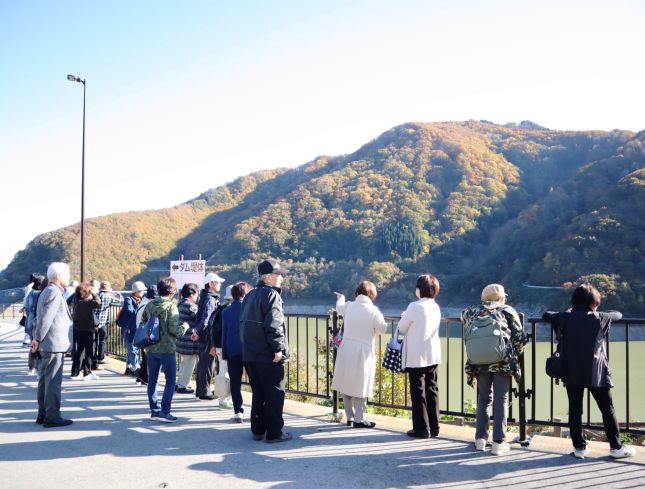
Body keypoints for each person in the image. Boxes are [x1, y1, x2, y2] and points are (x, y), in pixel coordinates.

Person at [542, 284, 636, 459]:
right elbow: (618, 314)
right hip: (597, 373)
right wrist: (599, 310)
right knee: (607, 409)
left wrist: (568, 311)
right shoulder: (600, 318)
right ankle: (616, 448)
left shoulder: (564, 317)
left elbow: (546, 314)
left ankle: (579, 448)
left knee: (575, 410)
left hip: (571, 371)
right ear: (594, 302)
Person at [462, 283, 526, 456]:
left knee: (483, 398)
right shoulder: (507, 311)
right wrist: (511, 352)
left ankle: (480, 440)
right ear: (501, 297)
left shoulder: (471, 311)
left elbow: (464, 318)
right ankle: (499, 442)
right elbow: (520, 338)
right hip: (502, 362)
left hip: (479, 361)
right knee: (501, 398)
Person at [240, 260, 291, 443]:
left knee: (259, 392)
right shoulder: (272, 295)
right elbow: (274, 324)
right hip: (268, 354)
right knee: (275, 393)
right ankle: (274, 433)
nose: (282, 279)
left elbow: (243, 324)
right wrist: (278, 349)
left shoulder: (250, 295)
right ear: (269, 277)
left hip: (250, 353)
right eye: (279, 275)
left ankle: (258, 429)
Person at [332, 281, 387, 429]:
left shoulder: (349, 306)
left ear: (357, 293)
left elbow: (339, 307)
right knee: (362, 385)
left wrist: (341, 297)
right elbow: (383, 328)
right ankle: (359, 419)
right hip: (364, 351)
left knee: (347, 383)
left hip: (347, 348)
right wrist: (374, 332)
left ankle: (349, 417)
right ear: (372, 295)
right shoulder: (374, 310)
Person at [398, 274, 443, 439]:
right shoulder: (435, 307)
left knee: (418, 391)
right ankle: (435, 426)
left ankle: (421, 428)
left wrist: (404, 316)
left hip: (417, 354)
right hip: (432, 353)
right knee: (432, 388)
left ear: (419, 290)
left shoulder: (414, 306)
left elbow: (402, 328)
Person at [31, 262, 74, 428]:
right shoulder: (54, 292)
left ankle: (43, 414)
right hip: (53, 343)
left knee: (44, 380)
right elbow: (46, 318)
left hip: (48, 342)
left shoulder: (47, 291)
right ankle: (52, 416)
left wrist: (37, 339)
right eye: (67, 274)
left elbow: (40, 317)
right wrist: (38, 338)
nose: (68, 278)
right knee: (53, 381)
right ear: (59, 276)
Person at [141, 277, 184, 422]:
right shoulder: (172, 307)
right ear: (172, 291)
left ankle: (154, 410)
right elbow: (174, 330)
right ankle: (165, 411)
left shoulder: (150, 305)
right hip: (167, 349)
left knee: (152, 380)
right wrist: (185, 327)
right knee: (170, 380)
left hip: (151, 348)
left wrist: (145, 345)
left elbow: (143, 324)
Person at [222, 281, 251, 422]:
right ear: (245, 294)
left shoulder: (226, 311)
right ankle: (258, 412)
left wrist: (225, 353)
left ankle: (238, 411)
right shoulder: (250, 308)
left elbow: (224, 334)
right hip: (250, 351)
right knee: (255, 382)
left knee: (235, 383)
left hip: (232, 351)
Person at [193, 272, 226, 400]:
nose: (219, 285)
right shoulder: (210, 299)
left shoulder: (205, 297)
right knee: (207, 364)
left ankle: (200, 390)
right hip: (208, 336)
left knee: (203, 363)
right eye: (218, 283)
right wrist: (199, 332)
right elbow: (206, 319)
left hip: (203, 335)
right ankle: (204, 391)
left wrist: (197, 332)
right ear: (211, 284)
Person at [68, 282, 101, 381]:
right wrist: (93, 293)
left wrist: (77, 292)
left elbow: (68, 300)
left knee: (79, 352)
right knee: (89, 352)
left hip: (77, 329)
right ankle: (87, 373)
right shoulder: (87, 303)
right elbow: (98, 302)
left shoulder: (75, 300)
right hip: (88, 331)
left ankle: (75, 373)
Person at [117, 281, 147, 376]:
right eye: (141, 290)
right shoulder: (128, 299)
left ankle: (129, 368)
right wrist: (140, 312)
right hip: (128, 327)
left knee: (134, 348)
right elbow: (130, 310)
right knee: (132, 348)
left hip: (135, 327)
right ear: (136, 291)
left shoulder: (141, 300)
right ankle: (136, 367)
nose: (143, 292)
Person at [175, 283, 200, 394]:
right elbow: (199, 318)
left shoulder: (180, 303)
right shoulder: (191, 306)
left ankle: (179, 383)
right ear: (192, 294)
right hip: (189, 339)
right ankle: (183, 385)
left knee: (184, 362)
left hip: (181, 338)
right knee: (189, 363)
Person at [134, 285, 158, 385]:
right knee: (148, 358)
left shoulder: (142, 304)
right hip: (146, 336)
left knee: (145, 357)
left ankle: (142, 377)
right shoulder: (147, 306)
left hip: (141, 334)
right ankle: (146, 378)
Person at [24, 274, 46, 375]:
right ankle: (37, 368)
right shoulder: (41, 293)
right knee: (39, 345)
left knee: (33, 346)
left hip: (29, 322)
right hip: (37, 323)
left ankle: (31, 368)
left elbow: (27, 307)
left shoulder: (31, 293)